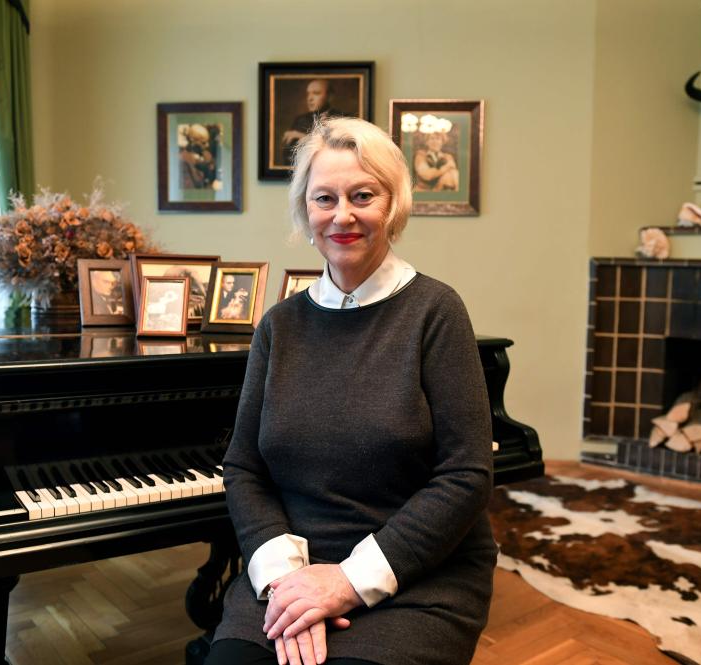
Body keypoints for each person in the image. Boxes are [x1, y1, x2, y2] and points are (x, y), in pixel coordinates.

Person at [207, 117, 495, 665]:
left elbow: (466, 475)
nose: (343, 215)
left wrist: (346, 582)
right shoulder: (279, 326)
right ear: (305, 211)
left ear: (392, 206)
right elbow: (243, 467)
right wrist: (286, 583)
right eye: (325, 198)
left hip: (417, 571)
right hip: (292, 569)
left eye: (362, 196)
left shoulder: (436, 312)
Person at [281, 79, 346, 165]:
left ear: (329, 97)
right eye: (308, 94)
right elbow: (288, 156)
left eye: (316, 93)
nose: (309, 98)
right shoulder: (300, 120)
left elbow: (342, 151)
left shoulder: (343, 119)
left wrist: (305, 138)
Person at [180, 124, 218, 189]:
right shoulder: (183, 160)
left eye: (207, 142)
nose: (207, 145)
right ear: (192, 141)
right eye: (203, 142)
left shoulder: (207, 155)